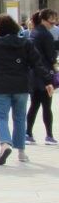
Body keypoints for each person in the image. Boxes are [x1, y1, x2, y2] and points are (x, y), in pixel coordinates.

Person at [0, 14, 54, 165]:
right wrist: (47, 81)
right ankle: (21, 152)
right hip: (21, 85)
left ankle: (5, 143)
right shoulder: (26, 43)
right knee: (19, 118)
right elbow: (37, 63)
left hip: (1, 85)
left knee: (1, 117)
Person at [26, 8, 58, 145]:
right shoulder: (46, 35)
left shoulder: (34, 32)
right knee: (46, 105)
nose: (54, 22)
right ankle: (49, 135)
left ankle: (28, 133)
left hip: (34, 73)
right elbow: (50, 55)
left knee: (34, 105)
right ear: (45, 19)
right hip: (45, 73)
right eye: (52, 19)